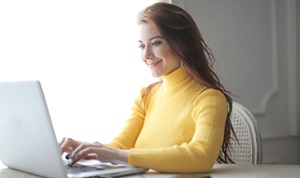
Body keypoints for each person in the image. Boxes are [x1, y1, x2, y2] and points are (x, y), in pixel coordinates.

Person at [60, 2, 236, 173]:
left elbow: (202, 156)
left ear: (182, 44)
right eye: (142, 45)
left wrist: (118, 154)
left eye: (156, 43)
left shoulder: (209, 99)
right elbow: (120, 146)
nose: (146, 55)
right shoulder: (147, 95)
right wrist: (86, 149)